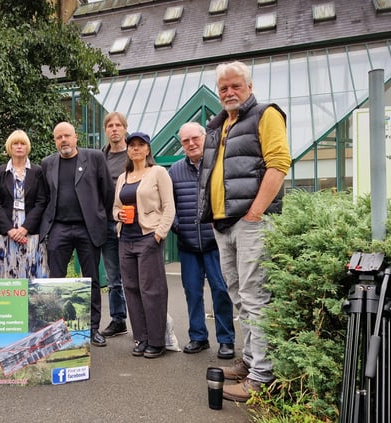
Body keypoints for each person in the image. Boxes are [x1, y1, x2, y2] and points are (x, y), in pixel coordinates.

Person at [199, 61, 291, 402]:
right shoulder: (218, 125)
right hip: (223, 225)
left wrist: (255, 213)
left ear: (249, 87)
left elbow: (279, 163)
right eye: (223, 88)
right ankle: (251, 362)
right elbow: (211, 175)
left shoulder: (266, 114)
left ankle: (261, 377)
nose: (229, 93)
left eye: (235, 86)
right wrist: (211, 214)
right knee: (239, 299)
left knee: (255, 299)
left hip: (250, 222)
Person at [40, 122, 114, 347]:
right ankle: (57, 329)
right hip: (59, 228)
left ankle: (92, 329)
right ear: (54, 140)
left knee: (91, 279)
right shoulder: (47, 163)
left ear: (75, 138)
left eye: (67, 136)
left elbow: (107, 192)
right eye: (58, 137)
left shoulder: (94, 158)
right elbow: (45, 196)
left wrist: (101, 217)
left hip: (87, 228)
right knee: (56, 281)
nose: (63, 140)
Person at [169, 122, 236, 358]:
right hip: (187, 245)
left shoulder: (219, 164)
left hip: (215, 244)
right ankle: (198, 337)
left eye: (195, 138)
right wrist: (177, 225)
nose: (191, 144)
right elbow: (169, 205)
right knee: (192, 292)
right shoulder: (174, 171)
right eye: (185, 141)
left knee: (220, 290)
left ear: (205, 137)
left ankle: (226, 340)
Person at [113, 132, 175, 358]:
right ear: (128, 150)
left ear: (148, 149)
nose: (136, 149)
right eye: (132, 145)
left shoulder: (158, 172)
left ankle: (157, 341)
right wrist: (119, 215)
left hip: (148, 238)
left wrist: (158, 235)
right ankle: (141, 337)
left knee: (152, 290)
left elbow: (169, 207)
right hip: (125, 239)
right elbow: (115, 208)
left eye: (141, 145)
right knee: (131, 289)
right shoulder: (123, 177)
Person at [0, 130, 49, 279]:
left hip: (30, 231)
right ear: (10, 147)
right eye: (15, 143)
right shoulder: (0, 172)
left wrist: (24, 229)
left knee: (30, 272)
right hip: (5, 233)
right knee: (6, 274)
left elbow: (41, 202)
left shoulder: (37, 171)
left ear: (27, 147)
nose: (19, 147)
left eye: (22, 143)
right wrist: (10, 230)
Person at [99, 112, 129, 338]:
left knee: (134, 275)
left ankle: (143, 319)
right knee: (113, 276)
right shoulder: (100, 157)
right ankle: (118, 319)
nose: (115, 129)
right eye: (110, 125)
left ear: (125, 129)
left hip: (130, 224)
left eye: (119, 125)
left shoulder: (135, 153)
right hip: (107, 223)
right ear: (106, 130)